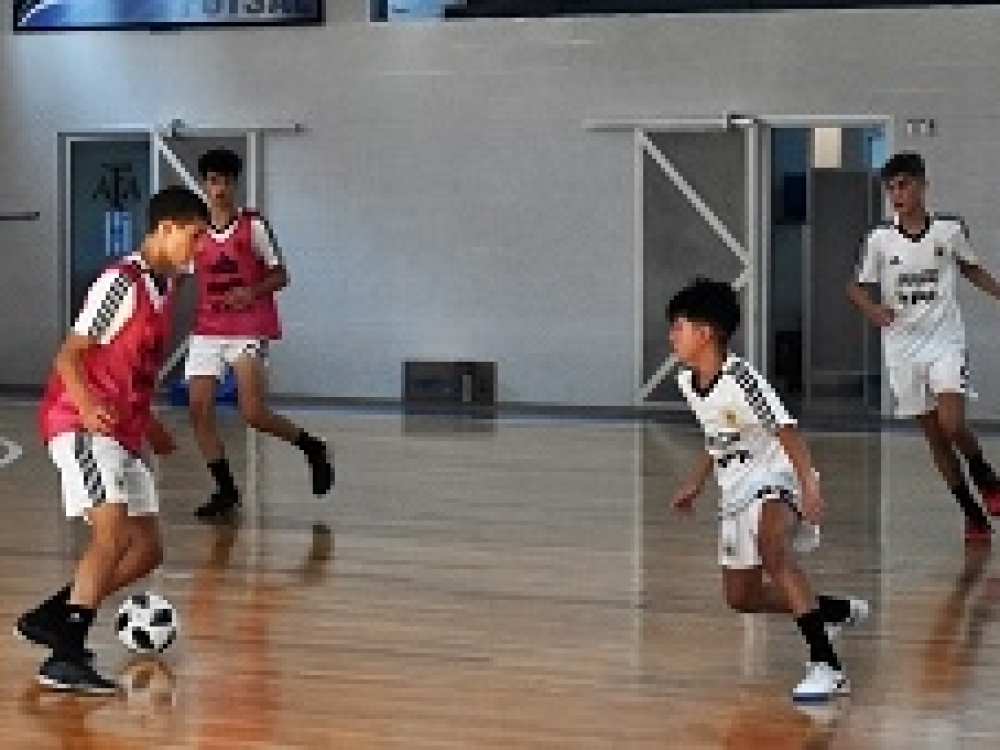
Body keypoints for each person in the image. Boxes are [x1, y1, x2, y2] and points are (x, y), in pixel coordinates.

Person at [16, 186, 210, 693]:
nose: (198, 248)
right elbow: (69, 354)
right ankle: (65, 655)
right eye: (193, 236)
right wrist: (85, 407)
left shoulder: (163, 288)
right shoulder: (119, 283)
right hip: (81, 425)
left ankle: (53, 616)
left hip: (122, 432)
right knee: (112, 535)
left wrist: (150, 425)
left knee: (147, 550)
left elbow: (130, 371)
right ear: (166, 228)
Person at [668, 278, 868, 702]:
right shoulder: (688, 382)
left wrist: (810, 487)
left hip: (778, 472)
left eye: (678, 327)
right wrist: (695, 481)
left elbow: (787, 431)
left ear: (705, 333)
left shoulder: (742, 379)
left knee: (773, 549)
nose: (672, 336)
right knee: (741, 597)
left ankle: (827, 665)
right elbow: (716, 436)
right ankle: (831, 611)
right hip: (736, 489)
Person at [847, 152, 1000, 542]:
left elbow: (970, 268)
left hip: (945, 340)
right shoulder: (879, 239)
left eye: (904, 185)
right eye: (891, 188)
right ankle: (972, 514)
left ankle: (986, 477)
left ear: (923, 186)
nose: (897, 194)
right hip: (902, 349)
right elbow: (855, 287)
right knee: (935, 438)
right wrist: (872, 309)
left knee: (952, 424)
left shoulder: (949, 230)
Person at [186, 148, 332, 520]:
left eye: (226, 181)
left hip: (246, 326)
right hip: (207, 327)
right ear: (204, 184)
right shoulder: (194, 231)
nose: (219, 189)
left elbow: (281, 275)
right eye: (213, 181)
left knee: (252, 412)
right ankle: (226, 490)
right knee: (198, 410)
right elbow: (177, 275)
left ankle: (312, 447)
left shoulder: (252, 226)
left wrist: (251, 292)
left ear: (235, 184)